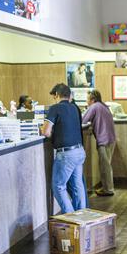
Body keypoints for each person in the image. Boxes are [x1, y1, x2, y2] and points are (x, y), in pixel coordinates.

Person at [42, 83, 86, 214]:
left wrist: (43, 128)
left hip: (66, 154)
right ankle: (82, 218)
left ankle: (71, 218)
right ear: (69, 95)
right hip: (79, 151)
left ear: (56, 95)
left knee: (58, 186)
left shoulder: (55, 108)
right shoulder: (75, 108)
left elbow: (46, 132)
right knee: (78, 186)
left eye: (53, 97)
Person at [82, 90, 116, 196]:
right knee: (107, 165)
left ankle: (108, 189)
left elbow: (83, 120)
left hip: (103, 140)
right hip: (110, 139)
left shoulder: (94, 107)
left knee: (105, 166)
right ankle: (107, 187)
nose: (86, 102)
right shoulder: (104, 106)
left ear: (92, 99)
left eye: (87, 99)